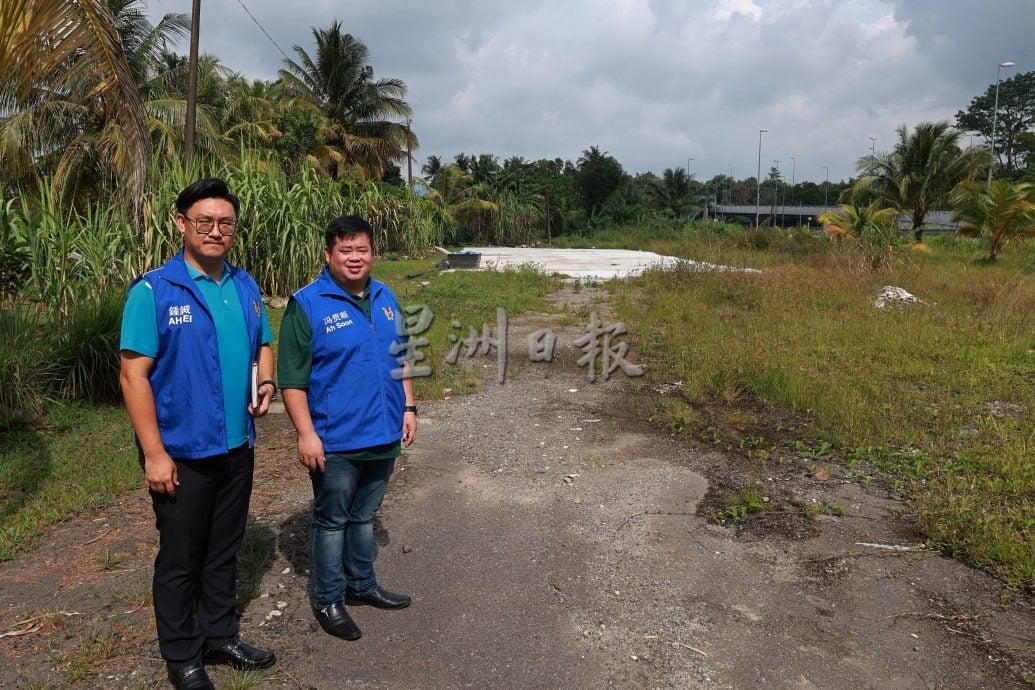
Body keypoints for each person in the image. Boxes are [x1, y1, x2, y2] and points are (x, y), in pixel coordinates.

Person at [120, 178, 276, 690]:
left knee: (224, 548)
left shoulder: (245, 284)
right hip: (182, 451)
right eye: (204, 221)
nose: (215, 231)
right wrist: (154, 454)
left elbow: (264, 343)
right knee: (181, 555)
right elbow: (133, 375)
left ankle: (219, 634)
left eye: (225, 223)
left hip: (237, 445)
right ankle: (182, 655)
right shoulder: (153, 292)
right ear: (180, 222)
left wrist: (267, 378)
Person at [278, 215, 417, 641]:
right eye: (346, 250)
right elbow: (292, 379)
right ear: (328, 254)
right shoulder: (308, 303)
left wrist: (409, 406)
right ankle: (328, 598)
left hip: (384, 431)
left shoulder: (385, 295)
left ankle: (363, 585)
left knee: (364, 516)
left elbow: (402, 354)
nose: (355, 258)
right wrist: (306, 433)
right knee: (332, 519)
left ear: (372, 253)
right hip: (335, 438)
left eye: (362, 250)